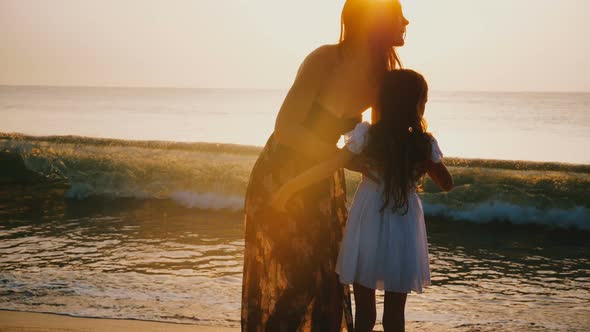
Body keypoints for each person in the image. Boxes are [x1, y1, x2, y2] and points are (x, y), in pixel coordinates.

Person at [241, 1, 410, 330]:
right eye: (396, 14)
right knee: (297, 282)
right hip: (280, 176)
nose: (406, 21)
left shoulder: (383, 77)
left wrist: (412, 161)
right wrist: (347, 160)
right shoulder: (325, 60)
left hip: (323, 182)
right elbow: (286, 128)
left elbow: (377, 141)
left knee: (327, 283)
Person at [271, 69, 454, 332]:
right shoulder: (423, 144)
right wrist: (426, 163)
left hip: (368, 219)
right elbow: (447, 184)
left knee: (365, 313)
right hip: (403, 225)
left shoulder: (367, 137)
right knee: (395, 316)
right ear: (417, 105)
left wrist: (290, 188)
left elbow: (328, 165)